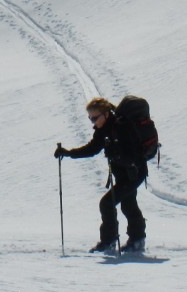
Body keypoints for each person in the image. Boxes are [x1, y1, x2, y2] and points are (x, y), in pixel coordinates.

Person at [54, 97, 147, 253]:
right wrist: (69, 153)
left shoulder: (122, 127)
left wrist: (117, 154)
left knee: (107, 203)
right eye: (90, 118)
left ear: (105, 114)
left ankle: (110, 241)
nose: (93, 122)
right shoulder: (103, 129)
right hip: (123, 174)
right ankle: (136, 240)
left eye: (94, 118)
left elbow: (134, 155)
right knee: (128, 204)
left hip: (135, 172)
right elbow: (92, 149)